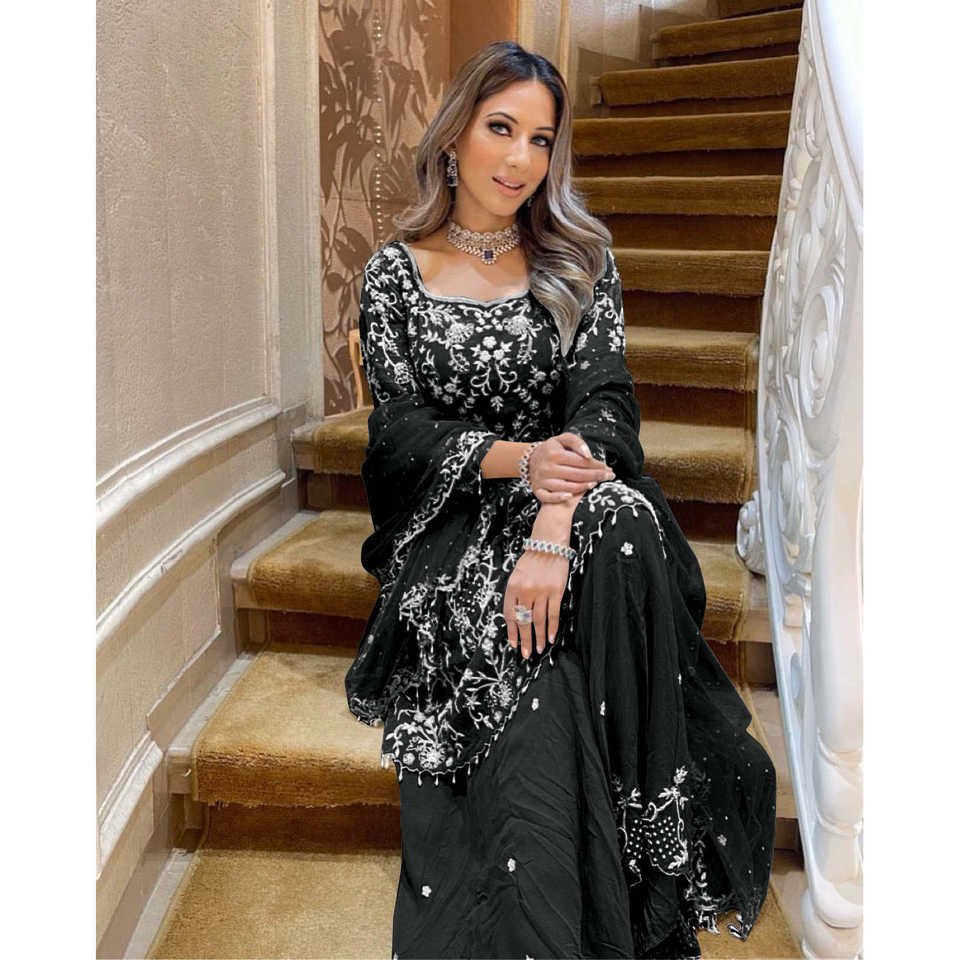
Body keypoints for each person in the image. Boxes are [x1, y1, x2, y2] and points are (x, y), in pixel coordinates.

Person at [344, 40, 777, 960]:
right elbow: (400, 436)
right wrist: (521, 462)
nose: (520, 159)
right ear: (454, 135)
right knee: (538, 675)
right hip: (457, 517)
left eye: (540, 140)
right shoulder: (396, 273)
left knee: (623, 525)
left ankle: (646, 857)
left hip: (572, 504)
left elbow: (606, 403)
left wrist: (551, 521)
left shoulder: (578, 258)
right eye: (501, 129)